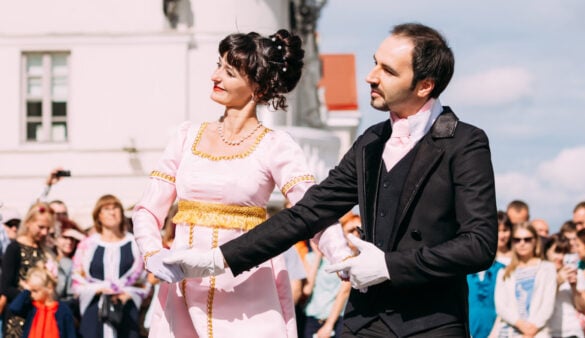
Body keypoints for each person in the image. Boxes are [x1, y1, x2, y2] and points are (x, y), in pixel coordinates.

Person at [163, 22, 498, 337]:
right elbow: (307, 213)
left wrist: (389, 266)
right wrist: (217, 259)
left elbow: (479, 245)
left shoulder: (465, 143)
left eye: (388, 70)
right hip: (364, 319)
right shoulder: (371, 141)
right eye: (375, 63)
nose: (371, 76)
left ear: (425, 86)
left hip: (431, 325)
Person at [133, 29, 352, 338]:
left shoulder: (276, 145)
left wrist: (340, 254)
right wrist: (152, 251)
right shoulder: (185, 136)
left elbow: (311, 208)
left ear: (258, 88)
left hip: (247, 286)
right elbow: (146, 210)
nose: (215, 76)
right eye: (219, 65)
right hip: (182, 284)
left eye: (229, 71)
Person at [71, 194, 149, 338]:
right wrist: (99, 289)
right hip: (95, 307)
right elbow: (77, 277)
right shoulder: (88, 245)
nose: (112, 212)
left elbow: (143, 278)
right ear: (98, 215)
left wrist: (128, 293)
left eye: (115, 208)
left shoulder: (134, 243)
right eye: (106, 209)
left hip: (125, 307)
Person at [492, 222, 556, 338]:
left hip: (537, 332)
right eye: (517, 240)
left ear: (535, 241)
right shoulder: (504, 272)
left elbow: (548, 303)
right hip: (508, 332)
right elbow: (500, 305)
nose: (522, 243)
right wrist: (519, 323)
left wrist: (532, 329)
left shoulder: (548, 268)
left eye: (527, 239)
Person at [1, 202, 54, 338]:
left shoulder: (45, 251)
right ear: (29, 223)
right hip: (19, 318)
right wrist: (30, 295)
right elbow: (6, 287)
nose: (44, 232)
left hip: (42, 316)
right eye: (41, 227)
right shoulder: (15, 248)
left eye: (47, 229)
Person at [302, 214, 358, 338]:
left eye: (358, 230)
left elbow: (344, 292)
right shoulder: (311, 258)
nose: (355, 234)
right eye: (350, 230)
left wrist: (329, 325)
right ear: (340, 233)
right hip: (311, 318)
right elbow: (307, 289)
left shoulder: (353, 263)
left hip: (335, 320)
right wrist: (317, 255)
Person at [466, 211, 511, 338]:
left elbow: (506, 306)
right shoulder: (465, 271)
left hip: (497, 332)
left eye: (505, 230)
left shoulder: (503, 270)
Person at [8, 266, 77, 338]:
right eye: (30, 291)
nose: (31, 294)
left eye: (35, 291)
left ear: (49, 288)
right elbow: (14, 308)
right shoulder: (32, 308)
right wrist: (26, 291)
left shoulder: (62, 310)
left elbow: (70, 333)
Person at [544, 234, 585, 338]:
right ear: (547, 252)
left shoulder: (576, 273)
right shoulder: (541, 273)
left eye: (565, 253)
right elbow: (542, 304)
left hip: (573, 332)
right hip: (548, 333)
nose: (561, 257)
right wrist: (558, 282)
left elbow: (584, 308)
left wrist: (574, 287)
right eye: (557, 252)